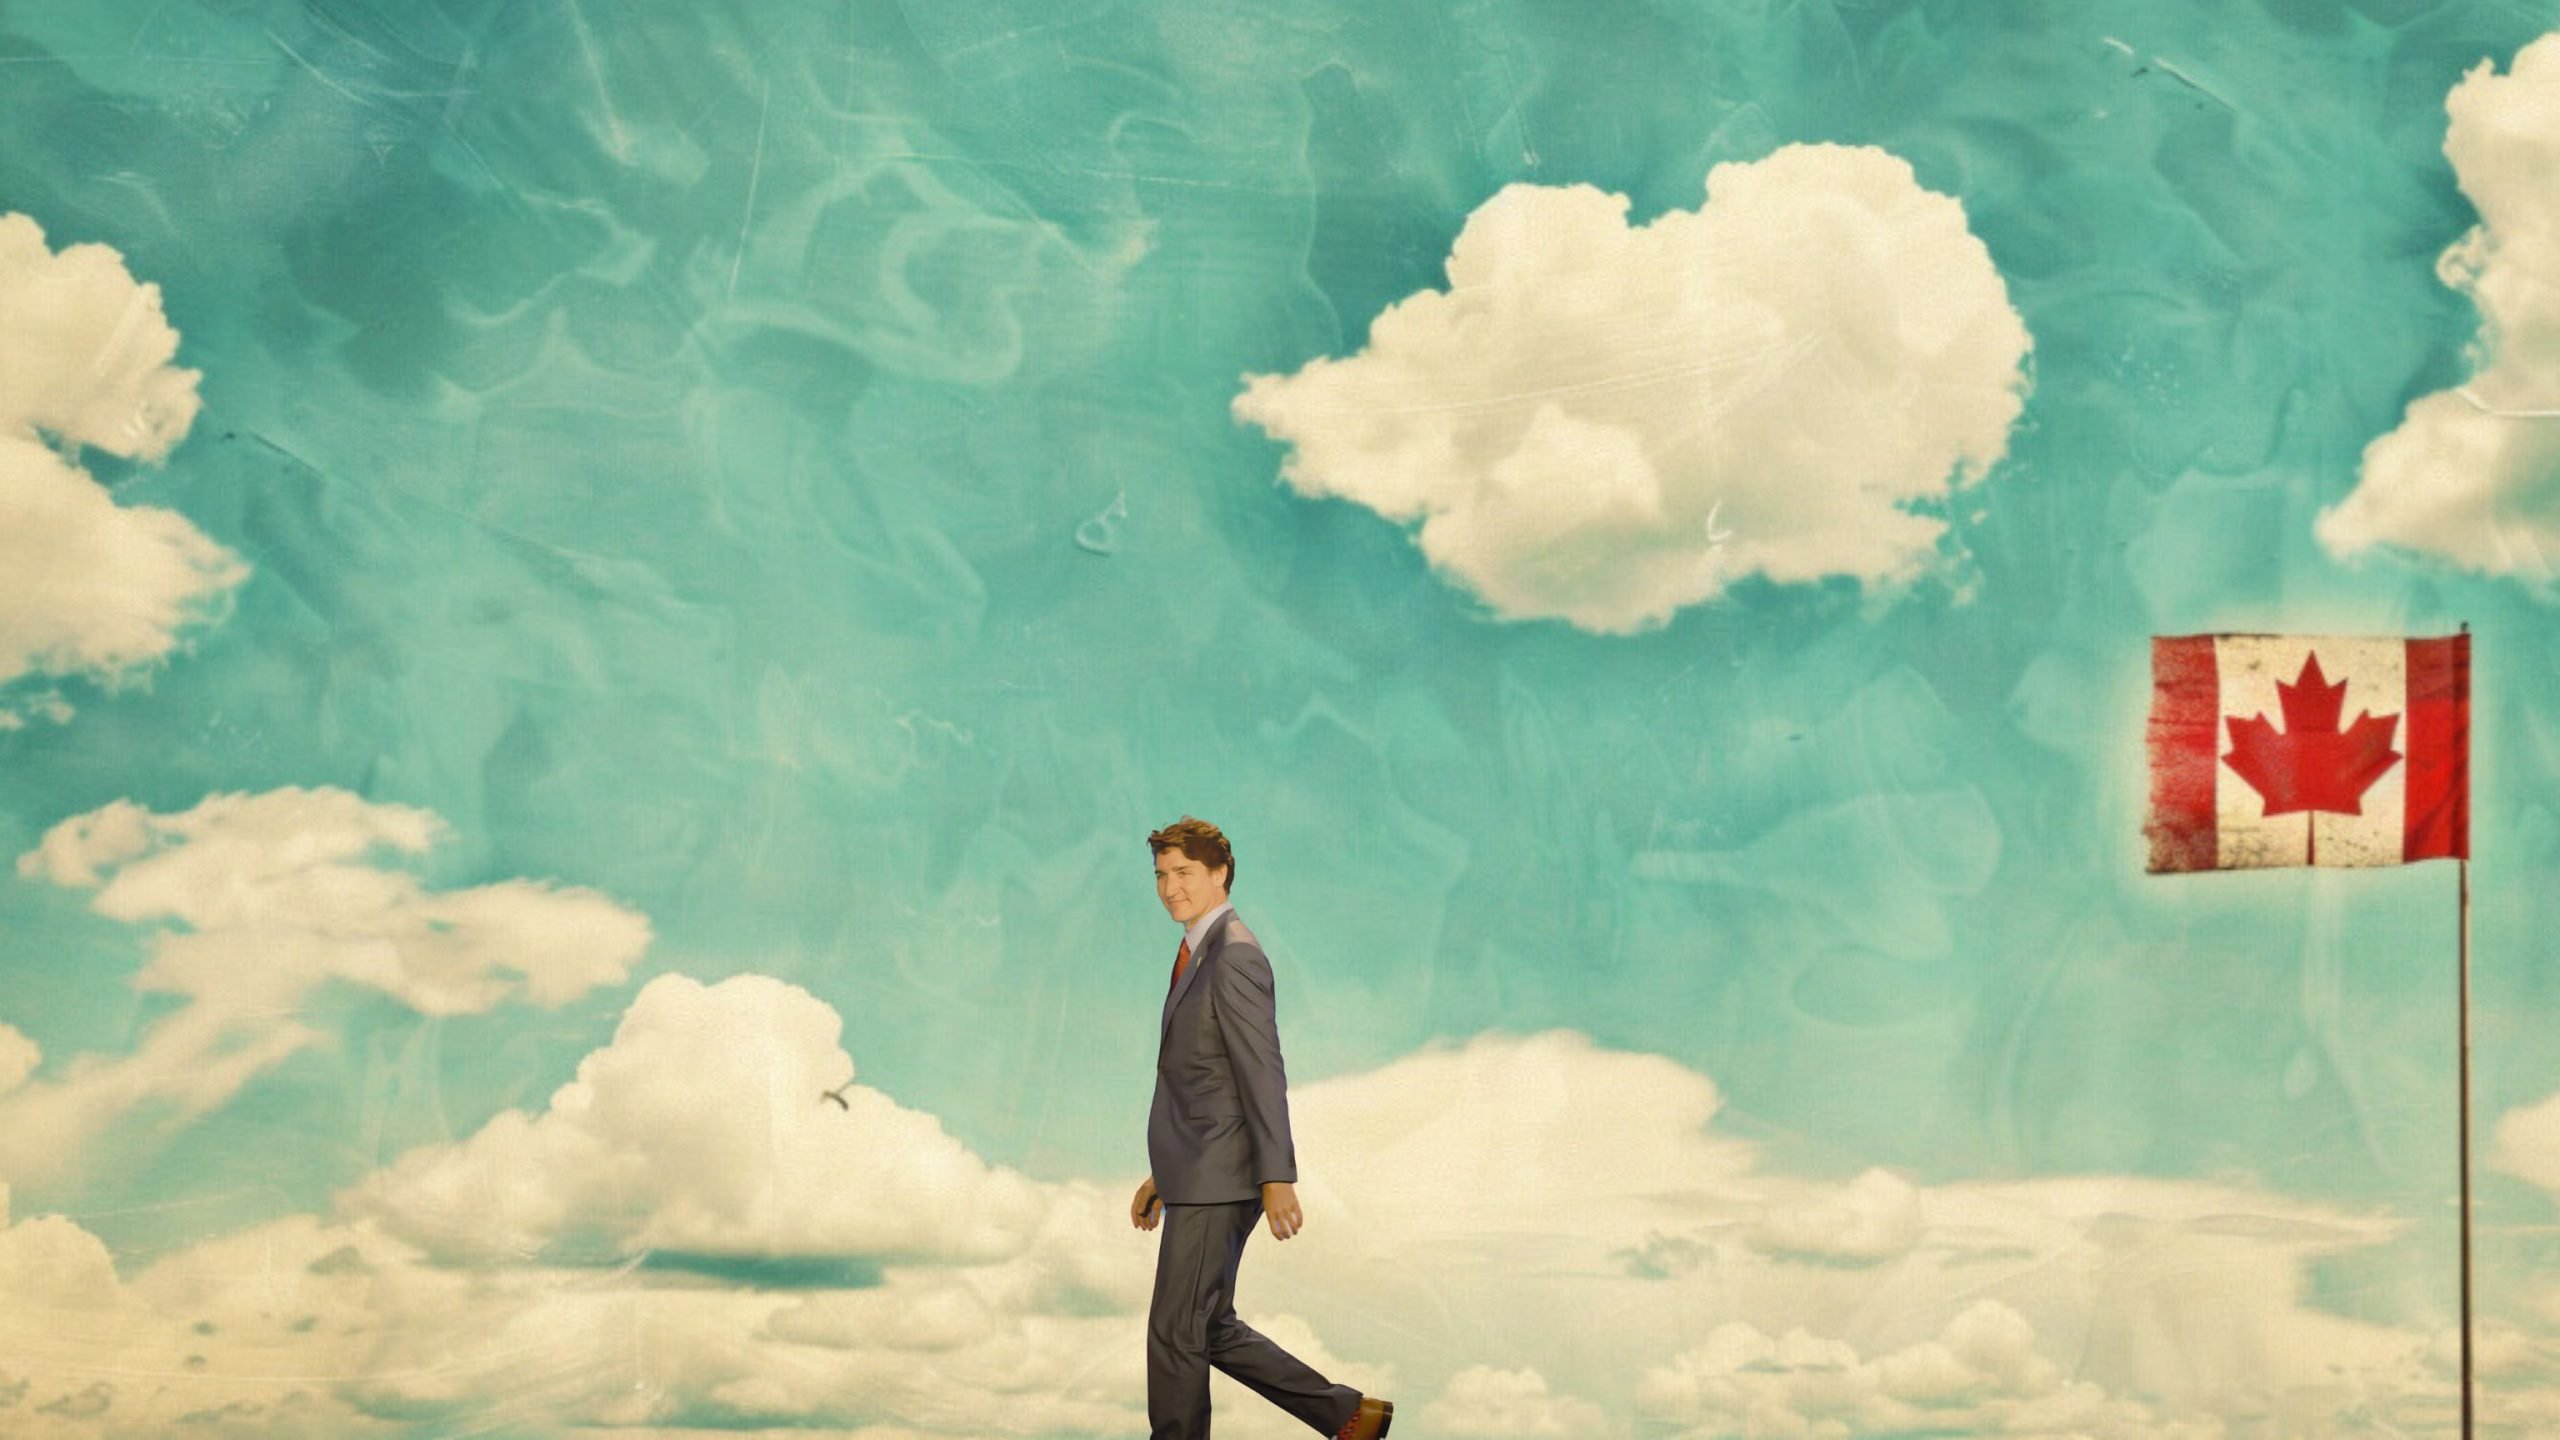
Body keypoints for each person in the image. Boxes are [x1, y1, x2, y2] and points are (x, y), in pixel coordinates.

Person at [1130, 816, 1392, 1440]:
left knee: (1175, 1331)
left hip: (1222, 1176)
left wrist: (1277, 1175)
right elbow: (1206, 1082)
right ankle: (1348, 1416)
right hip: (1199, 1170)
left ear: (1219, 873)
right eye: (1161, 875)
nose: (1170, 888)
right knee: (1206, 1324)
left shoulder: (1235, 954)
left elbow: (1260, 1071)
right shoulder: (1199, 950)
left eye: (1184, 873)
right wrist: (1164, 1174)